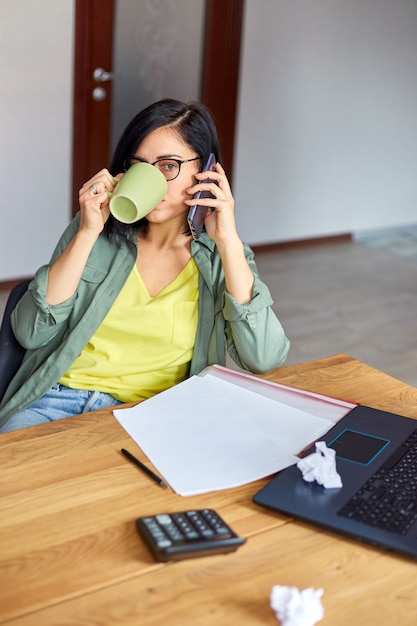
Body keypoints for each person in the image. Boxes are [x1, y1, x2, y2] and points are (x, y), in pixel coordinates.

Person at [0, 99, 289, 433]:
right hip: (56, 401)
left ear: (206, 171)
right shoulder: (95, 231)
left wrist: (227, 242)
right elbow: (31, 331)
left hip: (155, 415)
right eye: (141, 166)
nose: (153, 179)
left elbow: (263, 358)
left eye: (168, 166)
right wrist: (87, 232)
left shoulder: (221, 255)